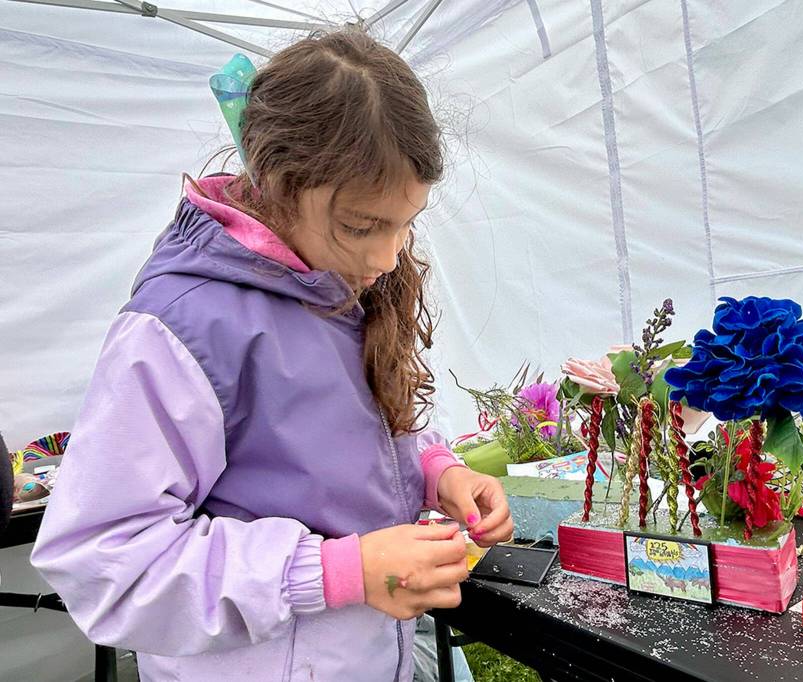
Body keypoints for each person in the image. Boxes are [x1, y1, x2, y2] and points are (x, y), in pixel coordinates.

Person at [31, 27, 512, 681]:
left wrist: (435, 471)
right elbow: (104, 562)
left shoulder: (343, 275)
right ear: (281, 185)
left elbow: (355, 429)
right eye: (362, 226)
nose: (387, 256)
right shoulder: (184, 327)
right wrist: (337, 572)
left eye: (407, 223)